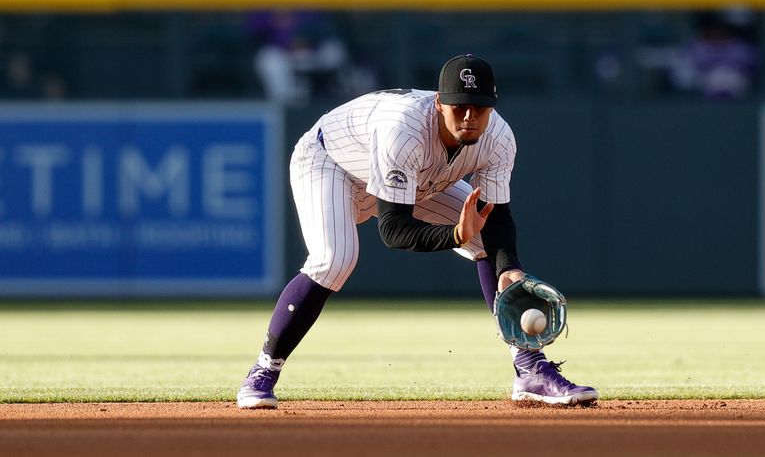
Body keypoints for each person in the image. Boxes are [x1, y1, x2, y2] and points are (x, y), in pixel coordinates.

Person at [236, 54, 598, 409]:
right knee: (335, 259)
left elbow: (497, 217)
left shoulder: (499, 137)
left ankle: (530, 368)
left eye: (480, 107)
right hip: (332, 163)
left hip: (419, 178)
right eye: (460, 107)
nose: (470, 117)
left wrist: (510, 268)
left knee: (484, 238)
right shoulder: (405, 129)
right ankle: (264, 370)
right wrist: (455, 235)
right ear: (439, 103)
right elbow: (394, 230)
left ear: (493, 106)